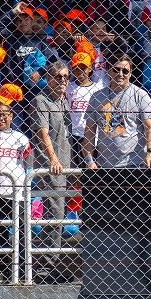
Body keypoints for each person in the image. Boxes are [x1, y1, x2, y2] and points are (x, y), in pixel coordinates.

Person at [82, 55, 151, 169]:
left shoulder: (140, 95)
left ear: (131, 73)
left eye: (125, 71)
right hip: (104, 165)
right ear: (109, 71)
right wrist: (89, 160)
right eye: (116, 69)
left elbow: (150, 128)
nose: (120, 74)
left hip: (134, 163)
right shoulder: (97, 97)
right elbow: (89, 132)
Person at [33, 62, 72, 253]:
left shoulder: (64, 101)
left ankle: (50, 257)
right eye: (58, 76)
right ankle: (47, 262)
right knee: (55, 212)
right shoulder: (41, 100)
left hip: (67, 161)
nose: (62, 80)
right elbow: (43, 133)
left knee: (61, 212)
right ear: (48, 79)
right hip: (52, 163)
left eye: (66, 77)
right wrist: (53, 159)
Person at [66, 51, 104, 166]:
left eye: (84, 68)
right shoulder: (69, 87)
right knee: (75, 167)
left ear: (90, 68)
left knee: (92, 166)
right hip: (73, 133)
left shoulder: (97, 88)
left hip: (92, 135)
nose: (80, 71)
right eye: (77, 68)